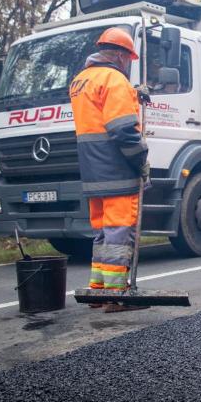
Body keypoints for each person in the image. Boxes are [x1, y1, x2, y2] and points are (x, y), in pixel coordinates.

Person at [69, 27, 149, 312]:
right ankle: (117, 295)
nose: (129, 64)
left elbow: (98, 116)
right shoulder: (114, 80)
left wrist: (133, 94)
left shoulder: (80, 80)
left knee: (102, 233)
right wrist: (141, 160)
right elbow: (123, 130)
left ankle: (99, 291)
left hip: (92, 171)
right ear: (120, 55)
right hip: (116, 170)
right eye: (129, 58)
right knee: (118, 232)